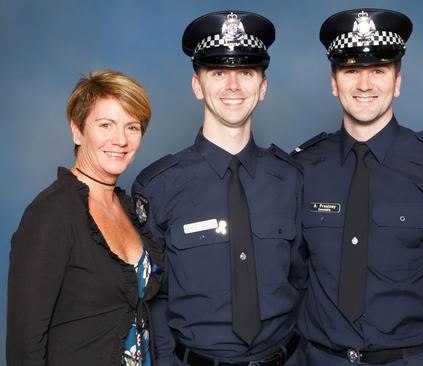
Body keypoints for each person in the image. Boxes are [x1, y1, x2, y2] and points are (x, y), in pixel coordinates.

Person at [293, 9, 423, 366]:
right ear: (333, 81)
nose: (364, 84)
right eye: (351, 71)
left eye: (378, 70)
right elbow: (290, 274)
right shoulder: (301, 168)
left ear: (398, 80)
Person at [132, 11, 305, 366]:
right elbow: (151, 300)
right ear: (197, 85)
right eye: (218, 72)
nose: (233, 86)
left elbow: (308, 282)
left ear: (263, 86)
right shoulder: (158, 187)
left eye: (246, 72)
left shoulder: (292, 179)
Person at [7, 70, 163, 365]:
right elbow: (24, 345)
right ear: (77, 130)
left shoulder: (130, 208)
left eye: (133, 127)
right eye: (106, 125)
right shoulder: (51, 214)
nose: (120, 140)